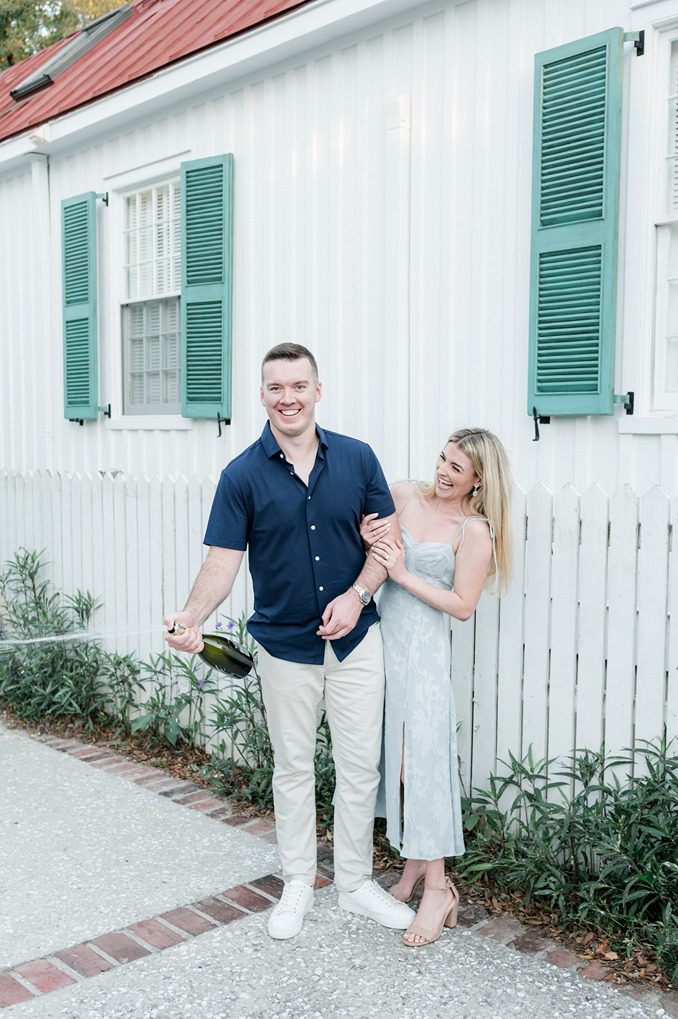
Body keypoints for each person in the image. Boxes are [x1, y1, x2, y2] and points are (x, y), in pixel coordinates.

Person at [164, 342, 415, 940]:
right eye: (276, 387)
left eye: (298, 385)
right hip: (284, 647)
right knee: (293, 769)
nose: (288, 398)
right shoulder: (242, 475)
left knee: (360, 770)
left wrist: (356, 597)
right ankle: (299, 880)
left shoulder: (358, 459)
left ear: (317, 390)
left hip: (357, 644)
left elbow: (386, 545)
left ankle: (354, 884)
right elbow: (222, 561)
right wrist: (193, 615)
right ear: (262, 396)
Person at [360, 428, 512, 948]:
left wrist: (401, 572)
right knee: (395, 767)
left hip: (424, 655)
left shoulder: (474, 530)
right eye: (442, 459)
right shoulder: (403, 494)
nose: (444, 472)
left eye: (457, 468)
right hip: (384, 643)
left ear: (478, 480)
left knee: (419, 766)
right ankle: (410, 872)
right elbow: (373, 551)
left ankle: (438, 888)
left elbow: (463, 606)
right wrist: (369, 543)